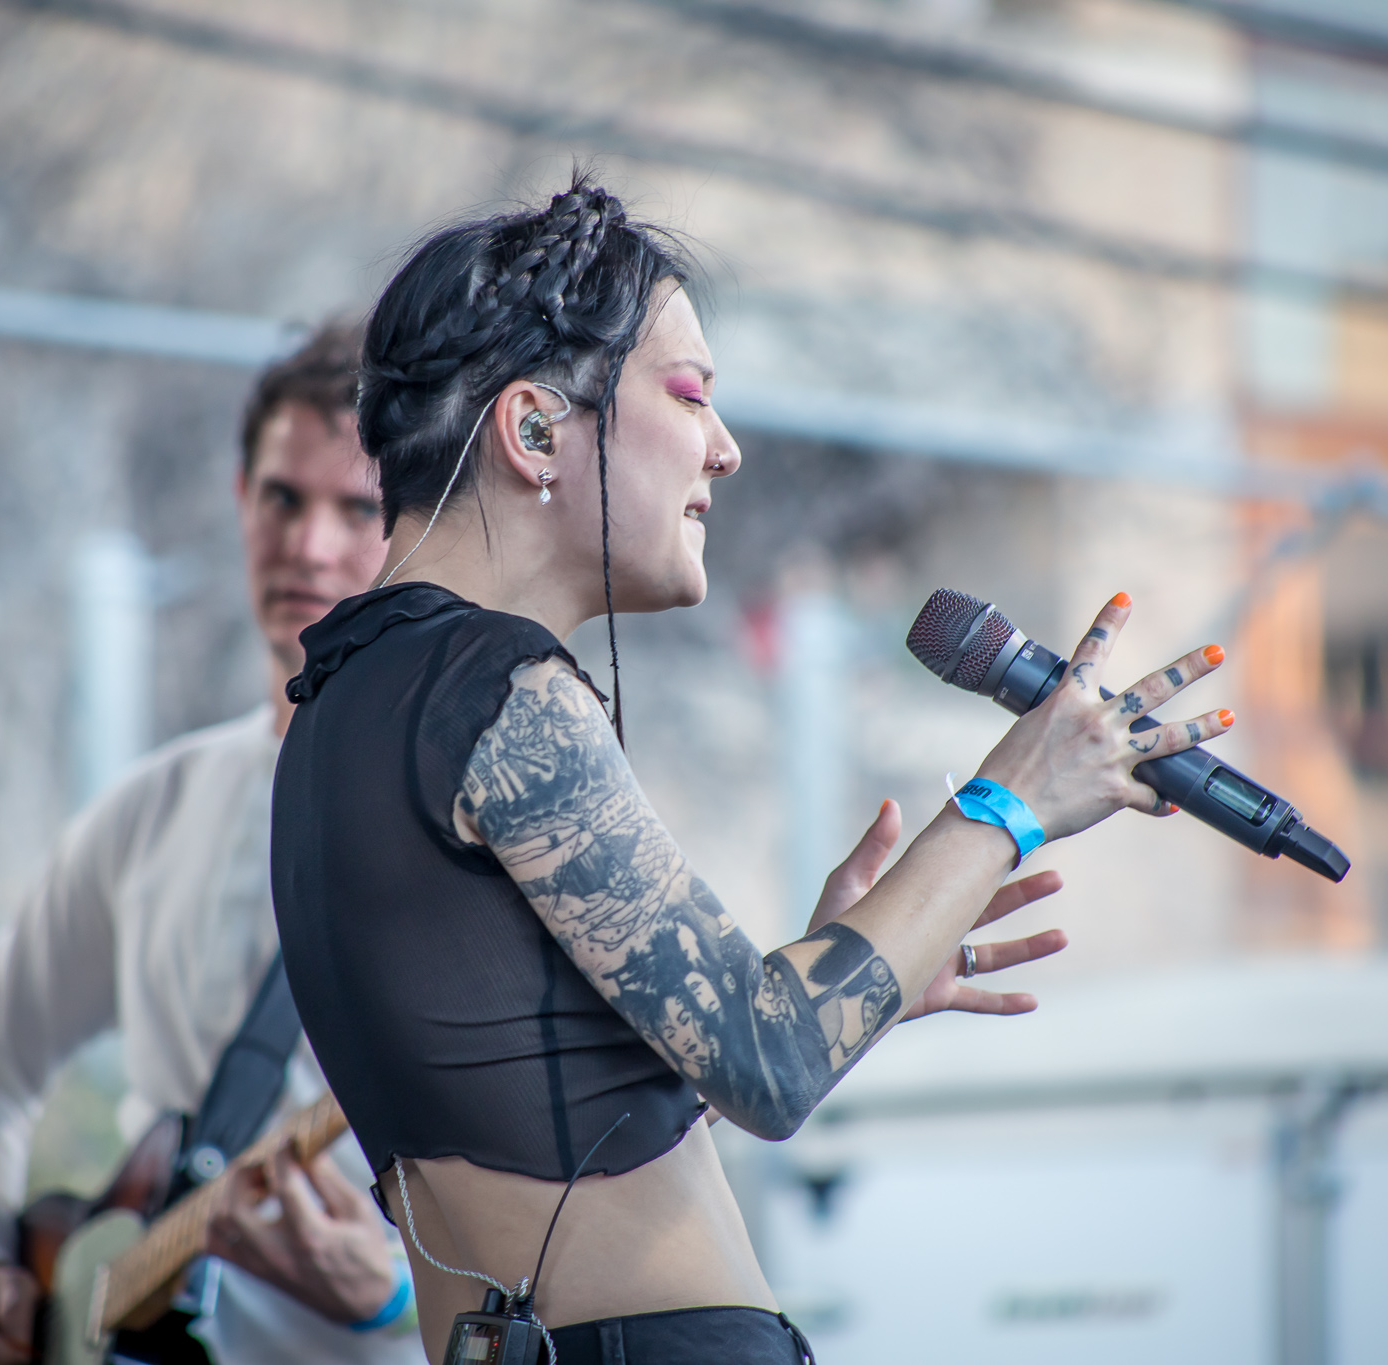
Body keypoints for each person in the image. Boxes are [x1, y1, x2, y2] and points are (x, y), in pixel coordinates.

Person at [270, 178, 1237, 1365]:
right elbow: (768, 1062)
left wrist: (863, 973)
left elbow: (590, 1100)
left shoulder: (337, 704)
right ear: (534, 432)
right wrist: (1009, 801)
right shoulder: (493, 689)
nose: (723, 450)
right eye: (687, 395)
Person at [0, 324, 423, 1365]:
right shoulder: (155, 808)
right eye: (282, 498)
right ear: (240, 499)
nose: (308, 546)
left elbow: (576, 1216)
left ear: (418, 531)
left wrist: (398, 1299)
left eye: (358, 509)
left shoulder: (483, 840)